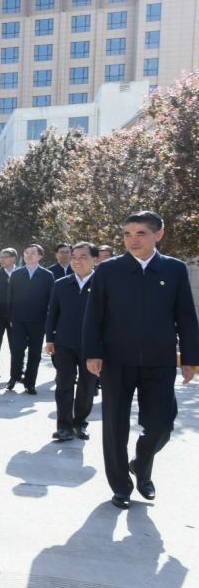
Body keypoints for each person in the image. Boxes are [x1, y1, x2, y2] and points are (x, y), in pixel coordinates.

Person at [83, 211, 199, 510]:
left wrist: (190, 358)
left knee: (162, 425)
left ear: (158, 234)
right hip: (116, 360)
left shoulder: (174, 269)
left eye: (141, 233)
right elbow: (94, 314)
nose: (132, 240)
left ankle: (141, 465)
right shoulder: (108, 270)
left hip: (160, 360)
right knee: (114, 427)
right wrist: (92, 352)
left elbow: (186, 316)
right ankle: (121, 485)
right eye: (127, 234)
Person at [45, 242, 98, 442]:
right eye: (75, 257)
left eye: (83, 256)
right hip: (64, 344)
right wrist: (50, 339)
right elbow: (52, 314)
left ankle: (80, 424)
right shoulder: (61, 284)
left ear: (95, 259)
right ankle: (64, 427)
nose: (77, 261)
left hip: (92, 347)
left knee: (87, 386)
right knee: (64, 385)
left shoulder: (103, 284)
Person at [7, 244, 55, 394]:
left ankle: (30, 382)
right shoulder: (16, 274)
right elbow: (10, 297)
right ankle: (14, 377)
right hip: (18, 320)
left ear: (40, 256)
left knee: (35, 353)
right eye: (26, 252)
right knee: (17, 350)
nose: (28, 255)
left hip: (38, 320)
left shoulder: (47, 275)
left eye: (33, 253)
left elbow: (51, 300)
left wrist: (49, 321)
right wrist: (10, 317)